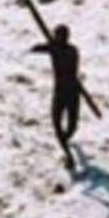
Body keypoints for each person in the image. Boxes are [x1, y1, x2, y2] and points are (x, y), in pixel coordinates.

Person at [30, 24, 80, 169]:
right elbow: (40, 48)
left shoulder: (60, 50)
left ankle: (66, 146)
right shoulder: (71, 50)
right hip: (72, 90)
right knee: (65, 124)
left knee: (62, 124)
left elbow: (40, 48)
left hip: (63, 92)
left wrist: (51, 45)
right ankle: (67, 150)